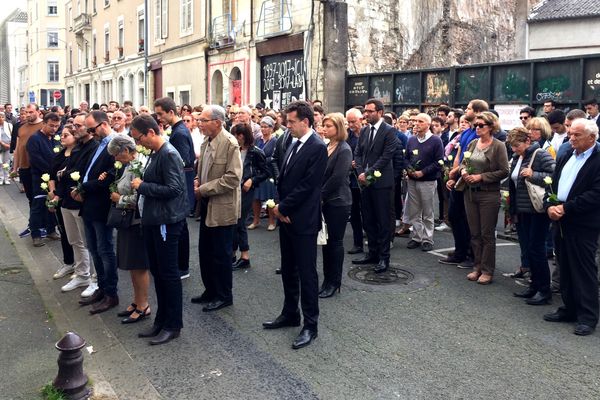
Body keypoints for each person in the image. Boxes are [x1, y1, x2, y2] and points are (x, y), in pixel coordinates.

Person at [263, 100, 327, 350]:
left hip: (302, 219)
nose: (287, 126)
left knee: (307, 273)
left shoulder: (317, 147)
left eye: (291, 122)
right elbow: (284, 179)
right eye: (287, 121)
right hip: (286, 216)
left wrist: (283, 208)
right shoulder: (290, 141)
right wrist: (279, 206)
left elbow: (309, 186)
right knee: (288, 268)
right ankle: (290, 313)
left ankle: (311, 324)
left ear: (306, 122)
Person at [131, 115, 188, 345]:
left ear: (151, 132)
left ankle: (173, 324)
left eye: (139, 138)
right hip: (155, 220)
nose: (138, 143)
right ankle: (162, 320)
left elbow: (175, 188)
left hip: (166, 222)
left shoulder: (169, 153)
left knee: (168, 274)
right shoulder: (155, 153)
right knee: (158, 272)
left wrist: (142, 186)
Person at [543, 119, 600, 336]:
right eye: (571, 134)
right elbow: (554, 183)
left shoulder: (597, 158)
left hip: (583, 222)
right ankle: (569, 308)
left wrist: (566, 208)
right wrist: (550, 205)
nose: (571, 138)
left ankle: (588, 316)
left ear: (592, 138)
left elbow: (596, 194)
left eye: (577, 135)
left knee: (584, 269)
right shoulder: (567, 153)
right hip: (560, 219)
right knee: (564, 266)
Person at [191, 105, 242, 312]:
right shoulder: (206, 141)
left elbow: (233, 178)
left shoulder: (230, 143)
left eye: (203, 120)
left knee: (221, 254)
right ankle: (210, 290)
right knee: (205, 251)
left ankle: (223, 295)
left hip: (222, 207)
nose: (199, 124)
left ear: (217, 122)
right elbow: (201, 168)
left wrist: (203, 189)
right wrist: (197, 180)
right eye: (199, 120)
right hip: (206, 205)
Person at [456, 111, 509, 284]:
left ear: (491, 127)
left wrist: (481, 177)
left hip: (488, 194)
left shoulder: (498, 146)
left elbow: (504, 171)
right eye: (476, 125)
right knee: (475, 233)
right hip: (470, 193)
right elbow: (465, 162)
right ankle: (477, 267)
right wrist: (463, 171)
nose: (477, 128)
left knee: (487, 235)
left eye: (481, 126)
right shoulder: (472, 143)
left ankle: (487, 270)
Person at [73, 111, 118, 314]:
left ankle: (111, 293)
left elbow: (108, 177)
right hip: (90, 204)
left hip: (101, 205)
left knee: (105, 250)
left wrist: (84, 187)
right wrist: (84, 185)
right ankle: (101, 287)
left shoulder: (114, 143)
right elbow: (92, 171)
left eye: (92, 129)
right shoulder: (98, 144)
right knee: (93, 248)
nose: (91, 133)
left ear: (103, 124)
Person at [106, 134, 151, 324]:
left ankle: (144, 305)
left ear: (126, 150)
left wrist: (119, 199)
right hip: (127, 222)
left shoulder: (139, 165)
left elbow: (140, 197)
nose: (115, 158)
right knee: (131, 264)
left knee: (139, 265)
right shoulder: (130, 165)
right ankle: (137, 301)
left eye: (116, 154)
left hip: (136, 221)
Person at [507, 127, 555, 305]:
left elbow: (554, 175)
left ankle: (544, 290)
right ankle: (534, 286)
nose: (514, 149)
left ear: (528, 141)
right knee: (529, 248)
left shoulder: (540, 154)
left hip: (538, 210)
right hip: (523, 210)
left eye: (517, 145)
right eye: (512, 146)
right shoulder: (516, 156)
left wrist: (534, 175)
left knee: (537, 249)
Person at [352, 99, 398, 273]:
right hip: (365, 183)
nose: (366, 114)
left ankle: (384, 258)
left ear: (379, 112)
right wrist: (361, 172)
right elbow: (359, 153)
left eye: (370, 111)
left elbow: (386, 157)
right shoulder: (364, 131)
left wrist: (368, 173)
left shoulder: (389, 131)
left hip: (382, 184)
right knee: (368, 219)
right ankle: (372, 253)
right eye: (365, 111)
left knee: (383, 221)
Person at [55, 114, 97, 297]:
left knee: (87, 243)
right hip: (66, 198)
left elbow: (81, 170)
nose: (74, 128)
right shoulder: (78, 146)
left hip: (79, 200)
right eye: (74, 125)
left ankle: (93, 278)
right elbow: (70, 167)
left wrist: (65, 173)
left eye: (79, 126)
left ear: (89, 128)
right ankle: (81, 274)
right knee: (74, 240)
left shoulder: (93, 147)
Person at [154, 97, 195, 279]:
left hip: (181, 185)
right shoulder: (176, 130)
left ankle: (182, 266)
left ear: (171, 112)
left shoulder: (179, 132)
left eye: (161, 114)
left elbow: (185, 160)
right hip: (182, 184)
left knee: (181, 228)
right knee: (181, 226)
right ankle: (181, 265)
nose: (159, 118)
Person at [319, 113, 352, 298]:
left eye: (329, 126)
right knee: (326, 242)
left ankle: (334, 282)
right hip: (325, 200)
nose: (325, 129)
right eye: (324, 125)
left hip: (338, 201)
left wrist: (320, 195)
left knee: (335, 243)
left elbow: (337, 178)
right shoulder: (326, 146)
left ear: (338, 128)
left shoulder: (344, 149)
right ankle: (326, 280)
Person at [231, 123, 268, 270]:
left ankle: (244, 256)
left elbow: (266, 172)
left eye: (236, 135)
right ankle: (233, 254)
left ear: (242, 136)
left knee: (239, 221)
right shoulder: (236, 149)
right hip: (235, 188)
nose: (235, 138)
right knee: (233, 221)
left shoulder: (256, 152)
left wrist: (252, 180)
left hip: (247, 189)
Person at [404, 113, 444, 252]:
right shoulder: (411, 140)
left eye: (420, 121)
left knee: (427, 211)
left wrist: (423, 172)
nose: (416, 124)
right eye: (415, 121)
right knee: (414, 210)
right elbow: (406, 158)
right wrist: (409, 169)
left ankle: (427, 239)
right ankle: (416, 237)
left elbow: (439, 161)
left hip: (427, 180)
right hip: (412, 180)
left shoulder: (436, 141)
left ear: (428, 124)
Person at [47, 125, 79, 290]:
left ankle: (80, 267)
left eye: (66, 135)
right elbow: (52, 174)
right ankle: (68, 262)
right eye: (62, 135)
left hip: (71, 197)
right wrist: (52, 190)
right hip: (58, 196)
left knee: (77, 235)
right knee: (64, 230)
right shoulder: (59, 155)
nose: (63, 137)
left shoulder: (77, 154)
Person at [26, 112, 62, 247]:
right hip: (40, 177)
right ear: (44, 123)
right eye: (51, 126)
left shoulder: (55, 138)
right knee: (38, 205)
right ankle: (35, 234)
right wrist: (51, 171)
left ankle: (51, 229)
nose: (54, 129)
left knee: (52, 204)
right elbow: (36, 160)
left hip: (53, 178)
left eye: (57, 126)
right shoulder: (35, 139)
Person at [251, 116, 277, 231]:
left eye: (266, 127)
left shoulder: (275, 140)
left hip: (269, 172)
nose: (263, 129)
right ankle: (256, 220)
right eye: (261, 126)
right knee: (255, 198)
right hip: (257, 172)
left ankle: (271, 221)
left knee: (270, 199)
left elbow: (275, 157)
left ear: (271, 128)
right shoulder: (257, 139)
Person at [345, 108, 364, 254]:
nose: (351, 125)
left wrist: (359, 163)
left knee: (369, 212)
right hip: (352, 179)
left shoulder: (368, 134)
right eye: (349, 122)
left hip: (367, 178)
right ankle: (358, 243)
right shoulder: (347, 136)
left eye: (353, 121)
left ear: (361, 119)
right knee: (355, 212)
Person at [0, 112, 13, 184]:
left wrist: (10, 144)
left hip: (8, 146)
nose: (1, 118)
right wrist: (2, 143)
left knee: (7, 162)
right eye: (0, 117)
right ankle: (1, 178)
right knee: (0, 163)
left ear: (4, 118)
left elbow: (12, 135)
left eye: (2, 117)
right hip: (1, 146)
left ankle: (6, 177)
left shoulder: (9, 125)